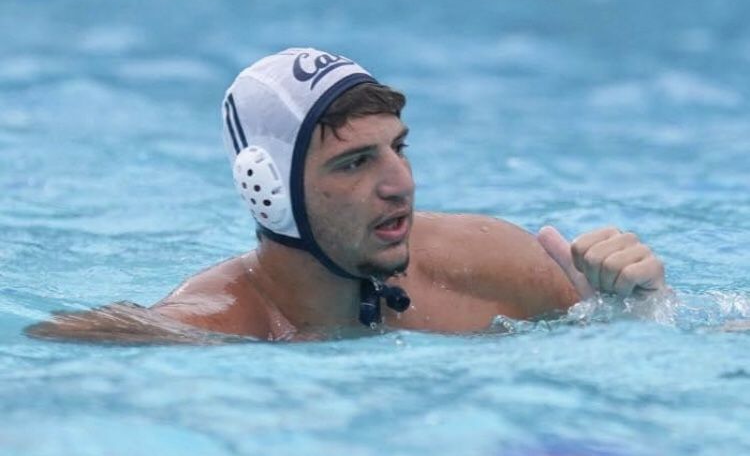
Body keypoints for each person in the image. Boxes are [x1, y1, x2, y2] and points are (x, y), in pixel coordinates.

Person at [26, 48, 667, 343]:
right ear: (268, 190)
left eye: (398, 148)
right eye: (355, 162)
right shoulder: (218, 327)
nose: (400, 183)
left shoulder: (487, 261)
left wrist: (640, 307)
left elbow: (692, 342)